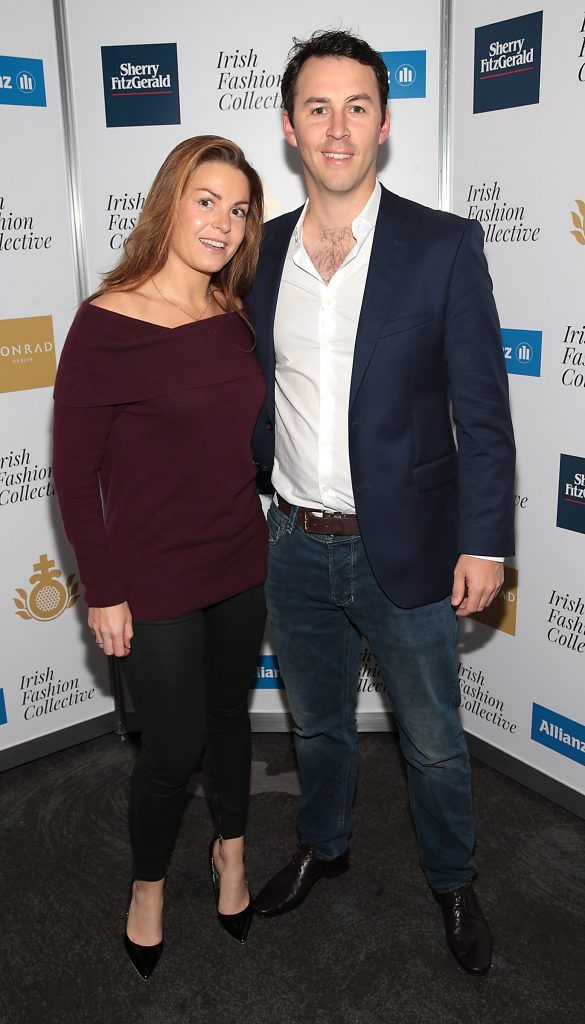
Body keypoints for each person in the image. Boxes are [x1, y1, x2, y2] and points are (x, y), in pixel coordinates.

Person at [247, 31, 515, 975]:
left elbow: (482, 411)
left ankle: (453, 878)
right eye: (316, 107)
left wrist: (485, 542)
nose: (336, 127)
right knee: (315, 725)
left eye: (355, 106)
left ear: (385, 123)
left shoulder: (442, 246)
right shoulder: (261, 253)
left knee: (433, 742)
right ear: (288, 126)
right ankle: (325, 844)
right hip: (290, 543)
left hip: (403, 546)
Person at [52, 136, 268, 980]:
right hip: (154, 578)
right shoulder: (106, 321)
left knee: (228, 723)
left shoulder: (233, 314)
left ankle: (232, 855)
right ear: (170, 202)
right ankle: (146, 886)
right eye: (206, 200)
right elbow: (74, 471)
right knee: (172, 746)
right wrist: (102, 590)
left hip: (238, 559)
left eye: (238, 209)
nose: (222, 222)